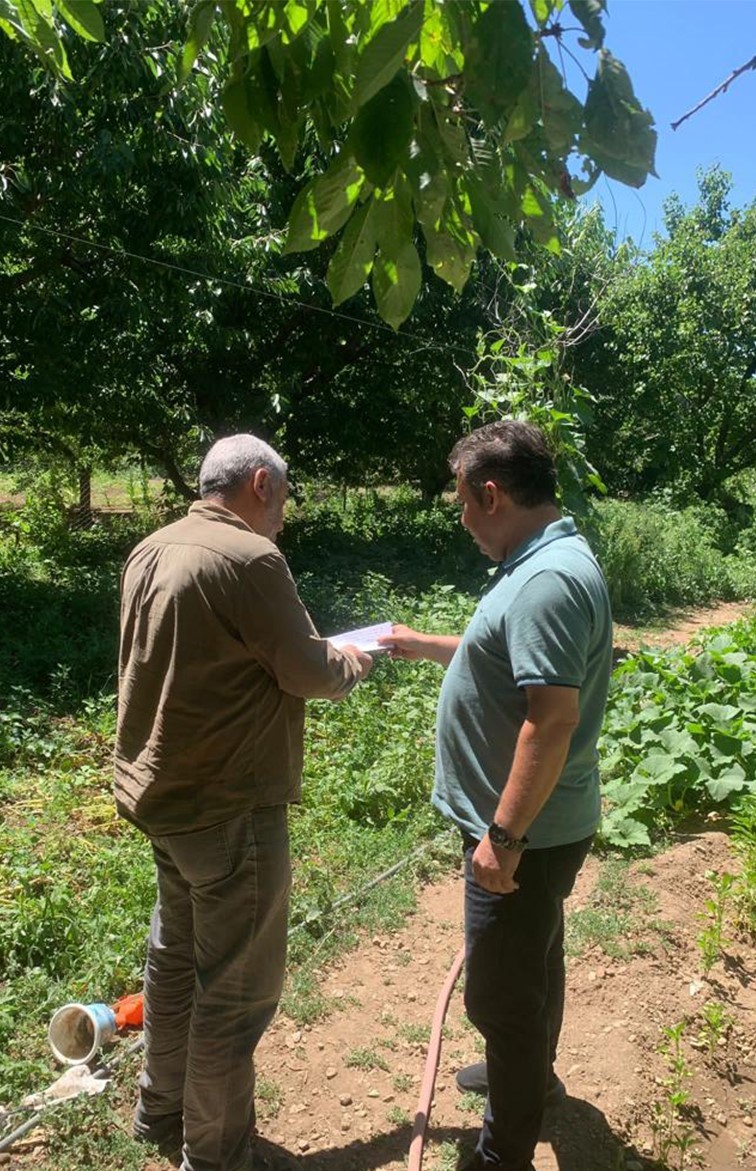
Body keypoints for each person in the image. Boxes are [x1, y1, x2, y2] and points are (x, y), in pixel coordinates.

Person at [114, 434, 372, 1171]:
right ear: (261, 483)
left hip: (164, 796)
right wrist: (345, 660)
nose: (283, 519)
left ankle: (158, 1107)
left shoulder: (151, 547)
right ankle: (219, 1154)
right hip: (230, 806)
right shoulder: (250, 558)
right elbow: (306, 670)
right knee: (233, 990)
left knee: (172, 957)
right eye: (283, 500)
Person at [380, 420, 612, 1171]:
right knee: (534, 960)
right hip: (544, 828)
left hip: (526, 835)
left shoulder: (544, 580)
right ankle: (532, 1075)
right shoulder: (542, 561)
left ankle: (500, 1151)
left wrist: (501, 837)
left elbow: (550, 718)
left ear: (491, 492)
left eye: (462, 502)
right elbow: (506, 653)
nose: (460, 519)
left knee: (500, 998)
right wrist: (424, 645)